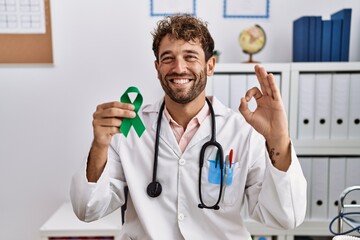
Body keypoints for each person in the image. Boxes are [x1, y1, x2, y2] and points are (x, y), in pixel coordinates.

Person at [70, 14, 306, 239]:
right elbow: (88, 209)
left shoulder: (241, 131)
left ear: (210, 65)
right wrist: (99, 145)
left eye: (190, 56)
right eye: (168, 58)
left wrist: (279, 139)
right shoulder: (132, 128)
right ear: (157, 68)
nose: (179, 68)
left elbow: (286, 217)